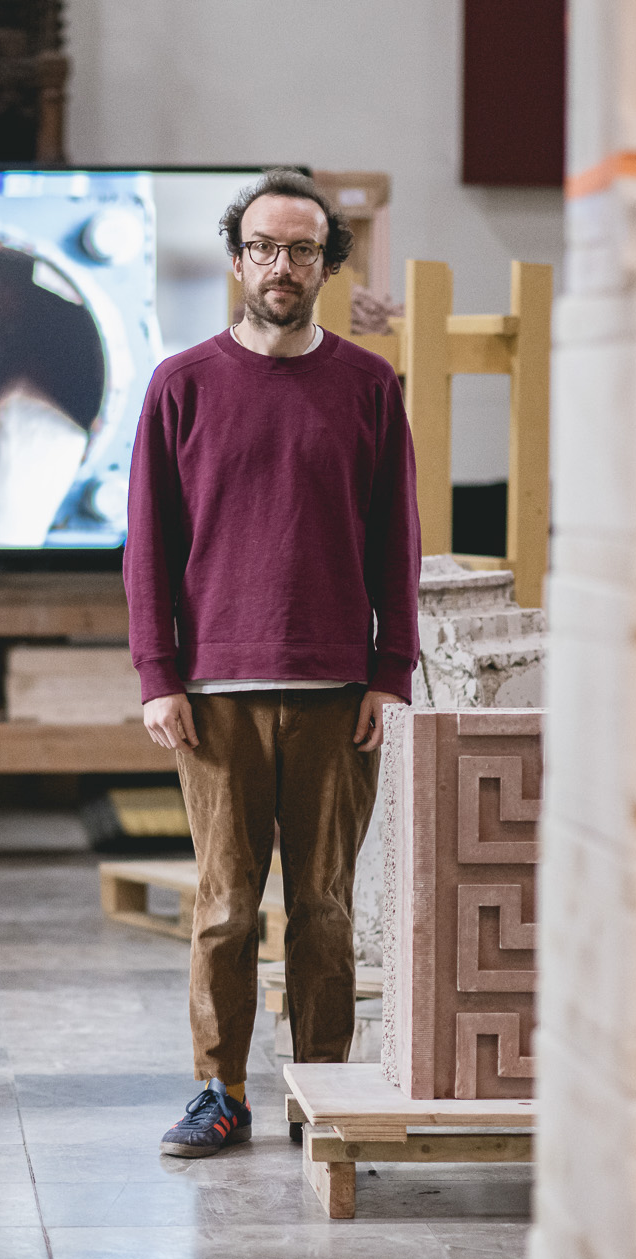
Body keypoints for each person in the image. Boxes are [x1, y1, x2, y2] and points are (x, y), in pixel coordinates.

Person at [122, 170, 420, 1158]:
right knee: (222, 911)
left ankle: (324, 1088)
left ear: (326, 265)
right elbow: (148, 546)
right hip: (213, 694)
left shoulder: (369, 387)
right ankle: (221, 1091)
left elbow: (395, 541)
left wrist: (390, 670)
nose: (278, 266)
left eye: (300, 249)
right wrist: (155, 674)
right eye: (260, 247)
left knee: (326, 911)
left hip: (339, 691)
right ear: (236, 257)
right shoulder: (181, 385)